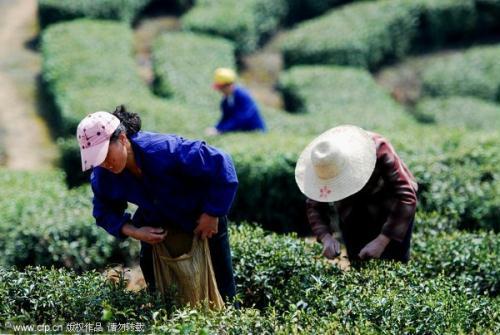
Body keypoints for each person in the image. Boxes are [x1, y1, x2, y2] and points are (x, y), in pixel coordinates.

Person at [76, 105, 239, 301]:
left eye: (105, 155)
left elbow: (222, 162)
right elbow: (103, 211)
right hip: (158, 224)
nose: (105, 164)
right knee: (161, 293)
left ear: (122, 139)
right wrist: (135, 232)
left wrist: (213, 214)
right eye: (98, 160)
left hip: (202, 221)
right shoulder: (104, 174)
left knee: (223, 289)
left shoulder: (164, 150)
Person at [295, 125, 418, 262]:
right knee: (358, 260)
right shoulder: (320, 162)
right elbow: (313, 205)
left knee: (394, 260)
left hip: (391, 205)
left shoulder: (377, 148)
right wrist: (326, 237)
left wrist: (382, 241)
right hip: (352, 207)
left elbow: (406, 196)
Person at [205, 67, 266, 136]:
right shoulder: (227, 98)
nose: (220, 91)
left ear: (229, 86)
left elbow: (241, 118)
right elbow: (226, 117)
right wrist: (216, 128)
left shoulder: (243, 96)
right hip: (241, 131)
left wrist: (221, 130)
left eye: (222, 88)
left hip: (254, 131)